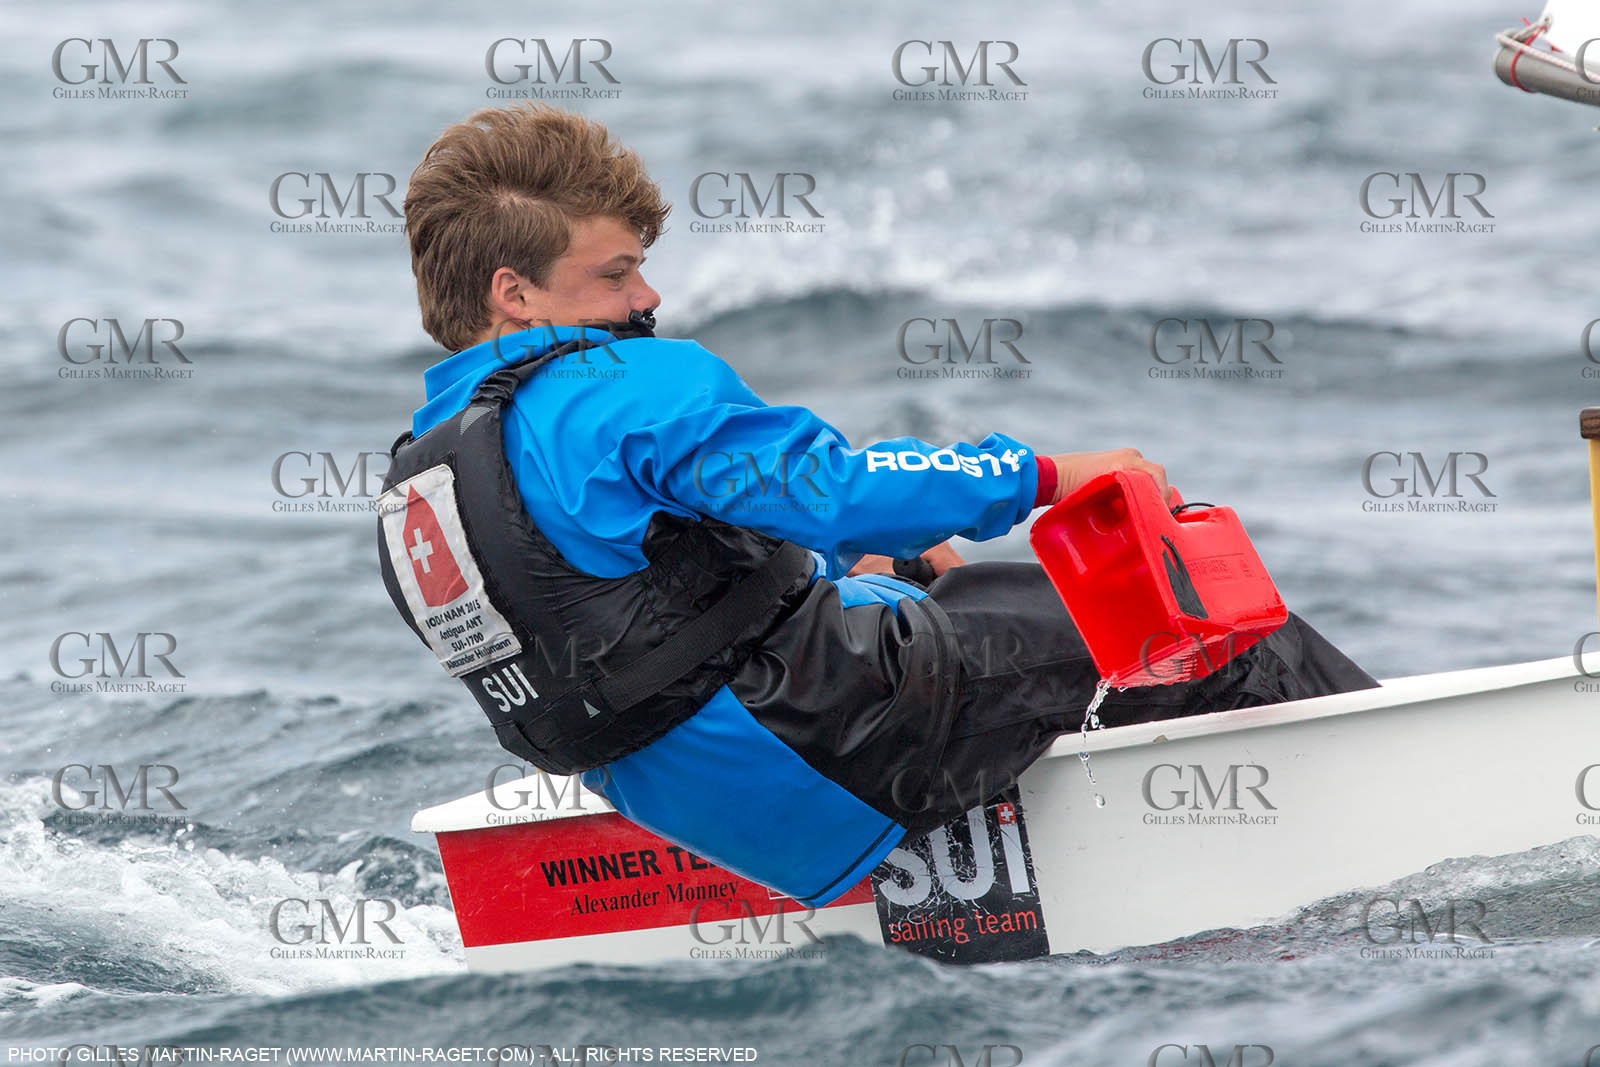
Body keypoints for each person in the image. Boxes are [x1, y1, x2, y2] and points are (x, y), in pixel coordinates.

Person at [378, 103, 1378, 907]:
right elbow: (838, 489)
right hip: (826, 737)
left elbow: (637, 614)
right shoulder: (615, 386)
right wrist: (1045, 476)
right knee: (1192, 622)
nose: (647, 296)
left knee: (940, 591)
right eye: (615, 272)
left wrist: (870, 562)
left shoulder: (423, 485)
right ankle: (1394, 802)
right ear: (515, 293)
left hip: (708, 804)